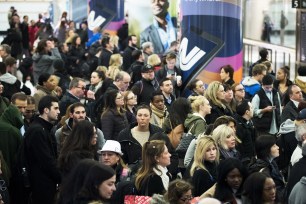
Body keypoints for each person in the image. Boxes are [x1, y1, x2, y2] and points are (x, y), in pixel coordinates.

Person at [23, 95, 61, 204]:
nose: (59, 111)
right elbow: (46, 160)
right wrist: (61, 178)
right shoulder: (38, 130)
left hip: (44, 183)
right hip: (40, 185)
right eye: (55, 108)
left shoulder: (44, 128)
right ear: (46, 110)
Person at [248, 135, 285, 201]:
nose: (278, 147)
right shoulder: (263, 171)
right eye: (274, 146)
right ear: (266, 150)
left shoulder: (272, 162)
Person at [235, 101, 256, 165]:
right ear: (247, 112)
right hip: (245, 160)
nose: (253, 110)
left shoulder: (250, 122)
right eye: (251, 108)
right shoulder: (239, 127)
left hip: (251, 157)